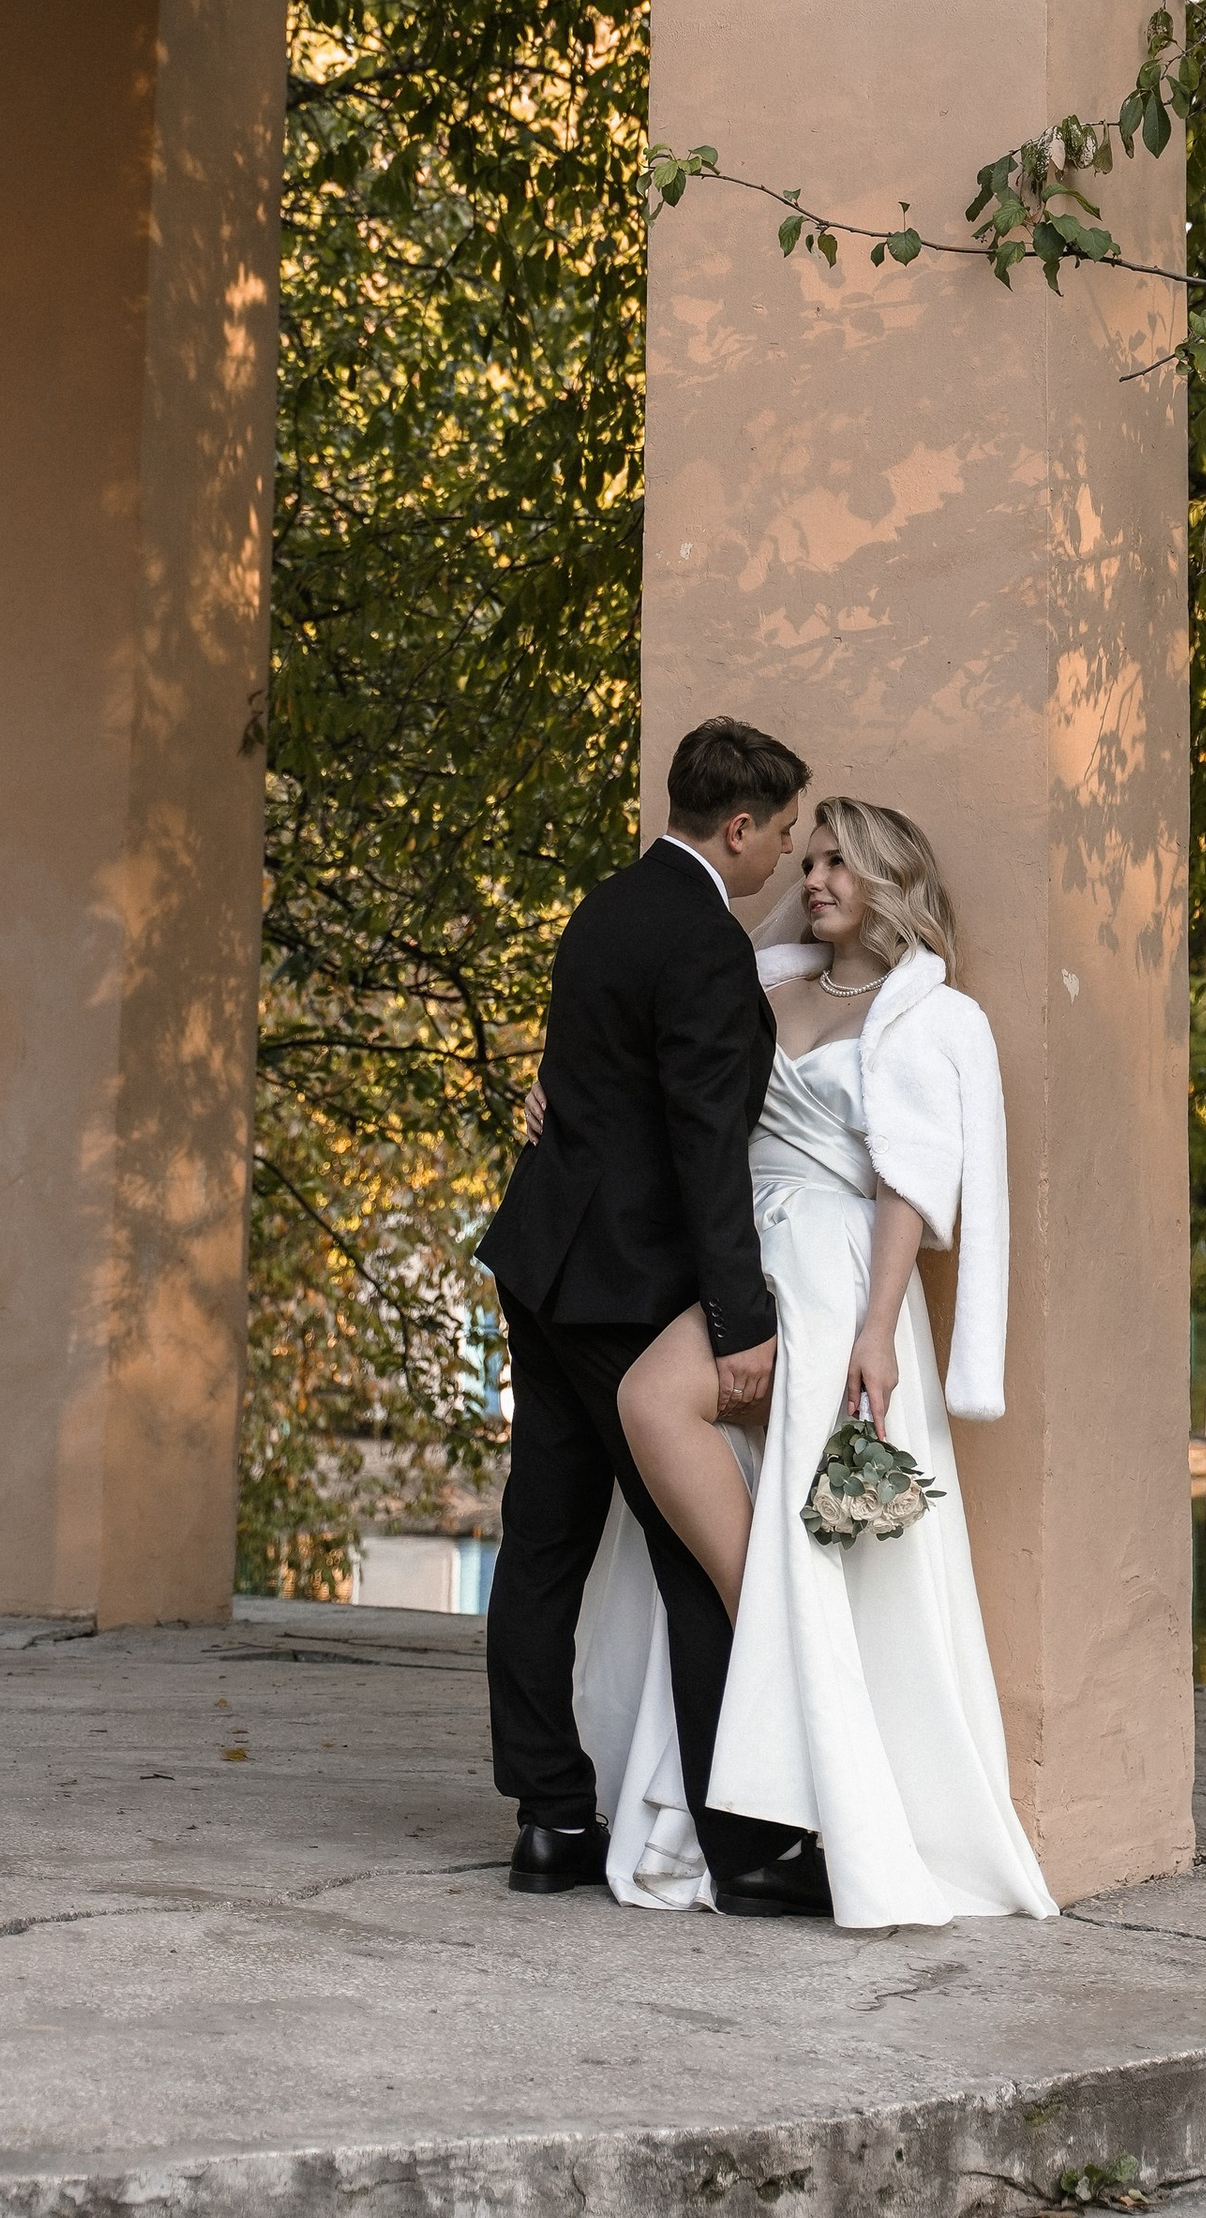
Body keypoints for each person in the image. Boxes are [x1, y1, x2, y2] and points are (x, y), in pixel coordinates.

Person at [549, 794, 1056, 1928]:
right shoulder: (761, 982)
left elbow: (907, 1188)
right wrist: (556, 1099)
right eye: (810, 857)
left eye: (840, 863)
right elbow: (661, 1093)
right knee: (657, 1405)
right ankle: (773, 1627)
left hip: (833, 1275)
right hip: (739, 1254)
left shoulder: (927, 1016)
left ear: (889, 882)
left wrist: (878, 1330)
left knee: (680, 1416)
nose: (816, 877)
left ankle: (787, 1675)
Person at [478, 715, 833, 1916]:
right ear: (737, 826)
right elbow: (700, 1144)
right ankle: (749, 1845)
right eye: (781, 836)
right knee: (695, 1553)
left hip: (542, 1266)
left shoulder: (606, 905)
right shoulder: (702, 941)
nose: (784, 859)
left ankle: (549, 1819)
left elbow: (586, 1081)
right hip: (625, 1286)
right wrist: (739, 1319)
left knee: (541, 1546)